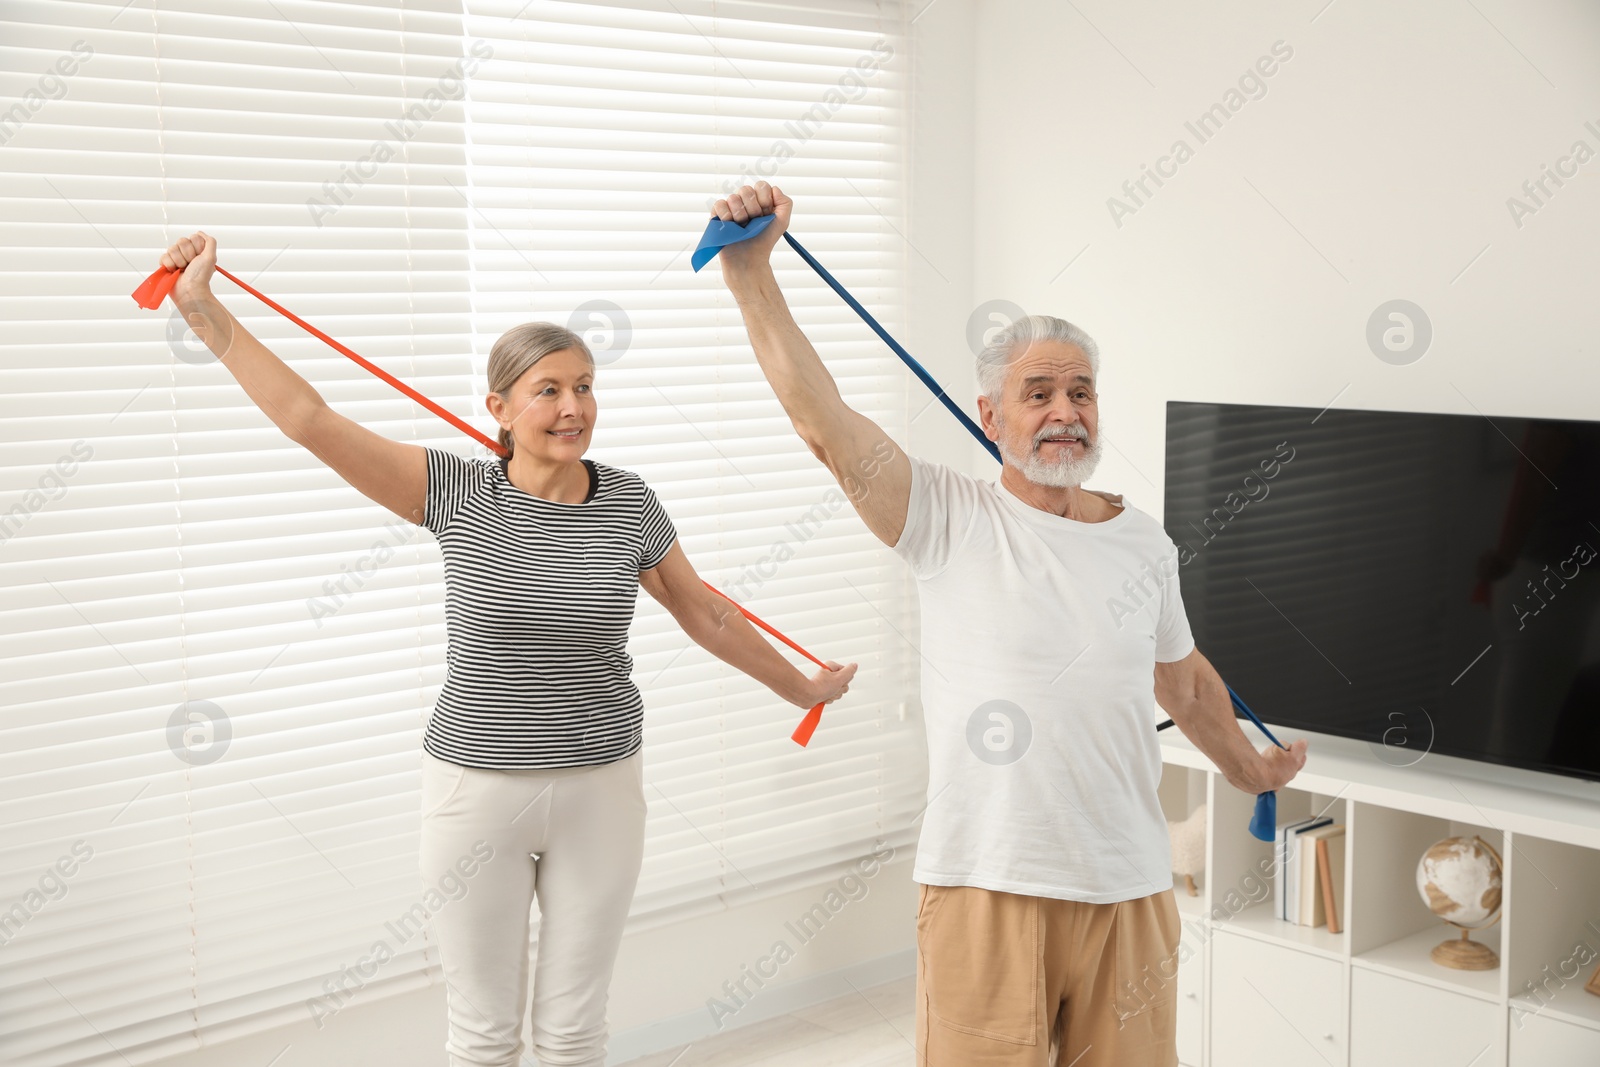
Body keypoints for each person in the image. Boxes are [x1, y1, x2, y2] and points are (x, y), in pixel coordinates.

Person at [153, 232, 857, 1067]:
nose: (573, 407)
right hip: (476, 790)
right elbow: (312, 421)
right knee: (484, 1036)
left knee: (574, 1031)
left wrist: (800, 687)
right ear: (500, 407)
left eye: (585, 387)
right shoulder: (453, 489)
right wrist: (203, 310)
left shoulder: (629, 502)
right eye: (548, 390)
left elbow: (703, 613)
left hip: (603, 788)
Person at [707, 183, 1308, 1067]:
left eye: (1081, 391)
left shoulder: (1143, 540)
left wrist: (1252, 768)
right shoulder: (945, 517)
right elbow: (822, 422)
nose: (1065, 411)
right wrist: (750, 272)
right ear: (990, 418)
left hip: (1131, 884)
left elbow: (1182, 680)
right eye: (1037, 393)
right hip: (988, 882)